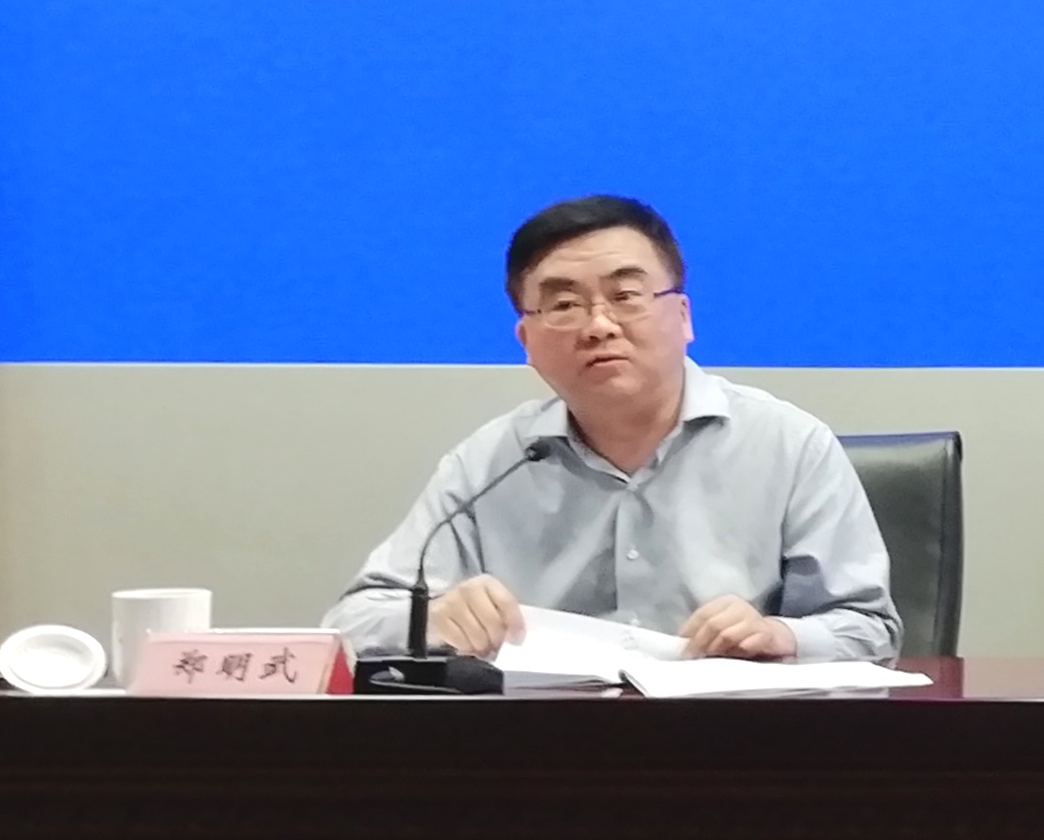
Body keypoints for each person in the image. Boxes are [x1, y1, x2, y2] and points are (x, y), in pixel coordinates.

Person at [324, 197, 899, 664]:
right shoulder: (492, 462)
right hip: (542, 746)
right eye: (564, 305)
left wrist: (781, 636)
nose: (599, 325)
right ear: (526, 341)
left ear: (683, 317)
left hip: (731, 743)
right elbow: (352, 621)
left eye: (625, 296)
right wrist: (433, 619)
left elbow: (872, 630)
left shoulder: (789, 444)